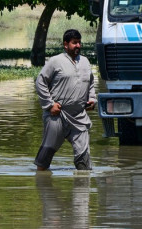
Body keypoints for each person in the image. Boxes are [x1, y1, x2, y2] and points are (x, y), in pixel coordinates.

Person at [34, 29, 96, 171]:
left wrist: (92, 99)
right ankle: (42, 184)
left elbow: (90, 83)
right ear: (66, 44)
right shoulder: (55, 61)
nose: (78, 46)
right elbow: (40, 82)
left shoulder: (85, 62)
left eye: (79, 42)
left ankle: (82, 189)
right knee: (46, 155)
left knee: (84, 158)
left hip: (79, 116)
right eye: (74, 43)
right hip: (57, 115)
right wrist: (50, 105)